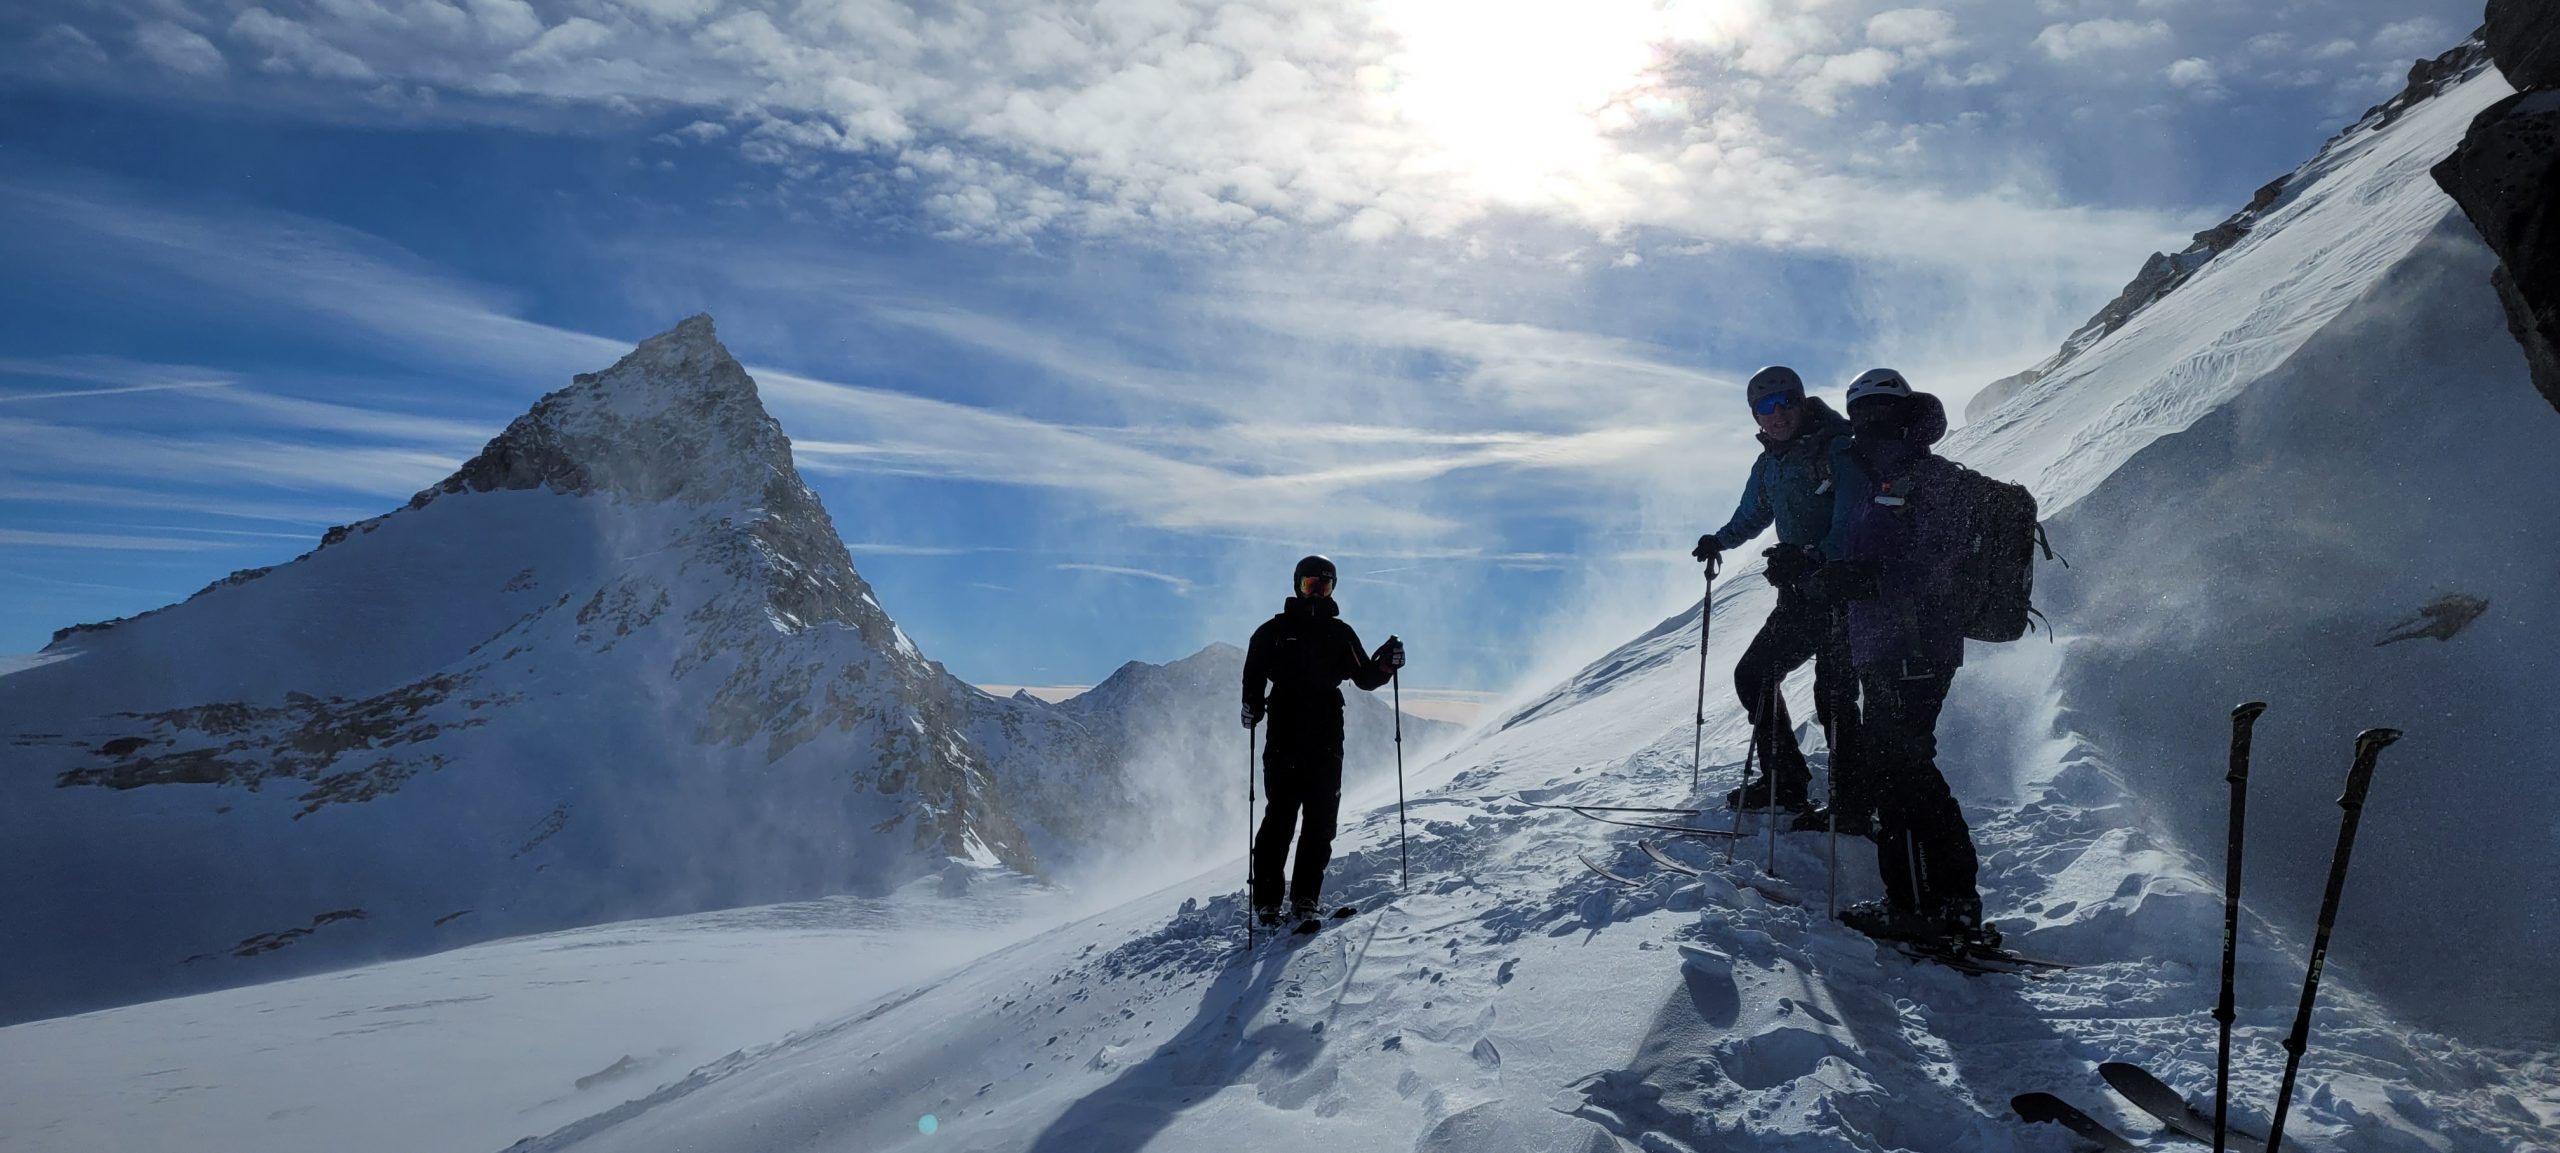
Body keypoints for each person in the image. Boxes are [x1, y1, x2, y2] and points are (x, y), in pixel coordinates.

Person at [1810, 368, 1995, 949]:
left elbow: (1939, 562)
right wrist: (1824, 573)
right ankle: (1945, 902)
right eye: (1860, 413)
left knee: (1900, 770)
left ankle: (1919, 903)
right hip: (1887, 645)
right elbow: (1862, 556)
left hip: (1915, 646)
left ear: (1904, 411)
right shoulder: (1876, 479)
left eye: (1881, 410)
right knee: (1906, 768)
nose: (1870, 422)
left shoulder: (1929, 478)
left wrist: (1868, 578)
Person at [1691, 366, 1864, 828]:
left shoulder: (1838, 449)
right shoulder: (1770, 465)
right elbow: (1753, 515)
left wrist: (1812, 558)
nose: (1778, 413)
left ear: (1803, 402)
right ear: (1756, 416)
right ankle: (1784, 783)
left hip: (1843, 591)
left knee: (1834, 696)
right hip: (1800, 595)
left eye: (1786, 401)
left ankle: (1852, 804)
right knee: (1754, 675)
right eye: (1766, 406)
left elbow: (1853, 520)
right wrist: (1719, 541)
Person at [1241, 555, 1405, 928]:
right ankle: (1267, 902)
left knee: (1320, 820)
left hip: (1326, 734)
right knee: (1280, 817)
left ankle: (1305, 899)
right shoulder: (1274, 631)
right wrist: (1251, 705)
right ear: (1297, 585)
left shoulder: (1339, 633)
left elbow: (1364, 677)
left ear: (1332, 589)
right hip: (1285, 732)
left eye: (1324, 586)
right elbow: (1253, 674)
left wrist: (1385, 665)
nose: (1316, 593)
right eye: (1310, 585)